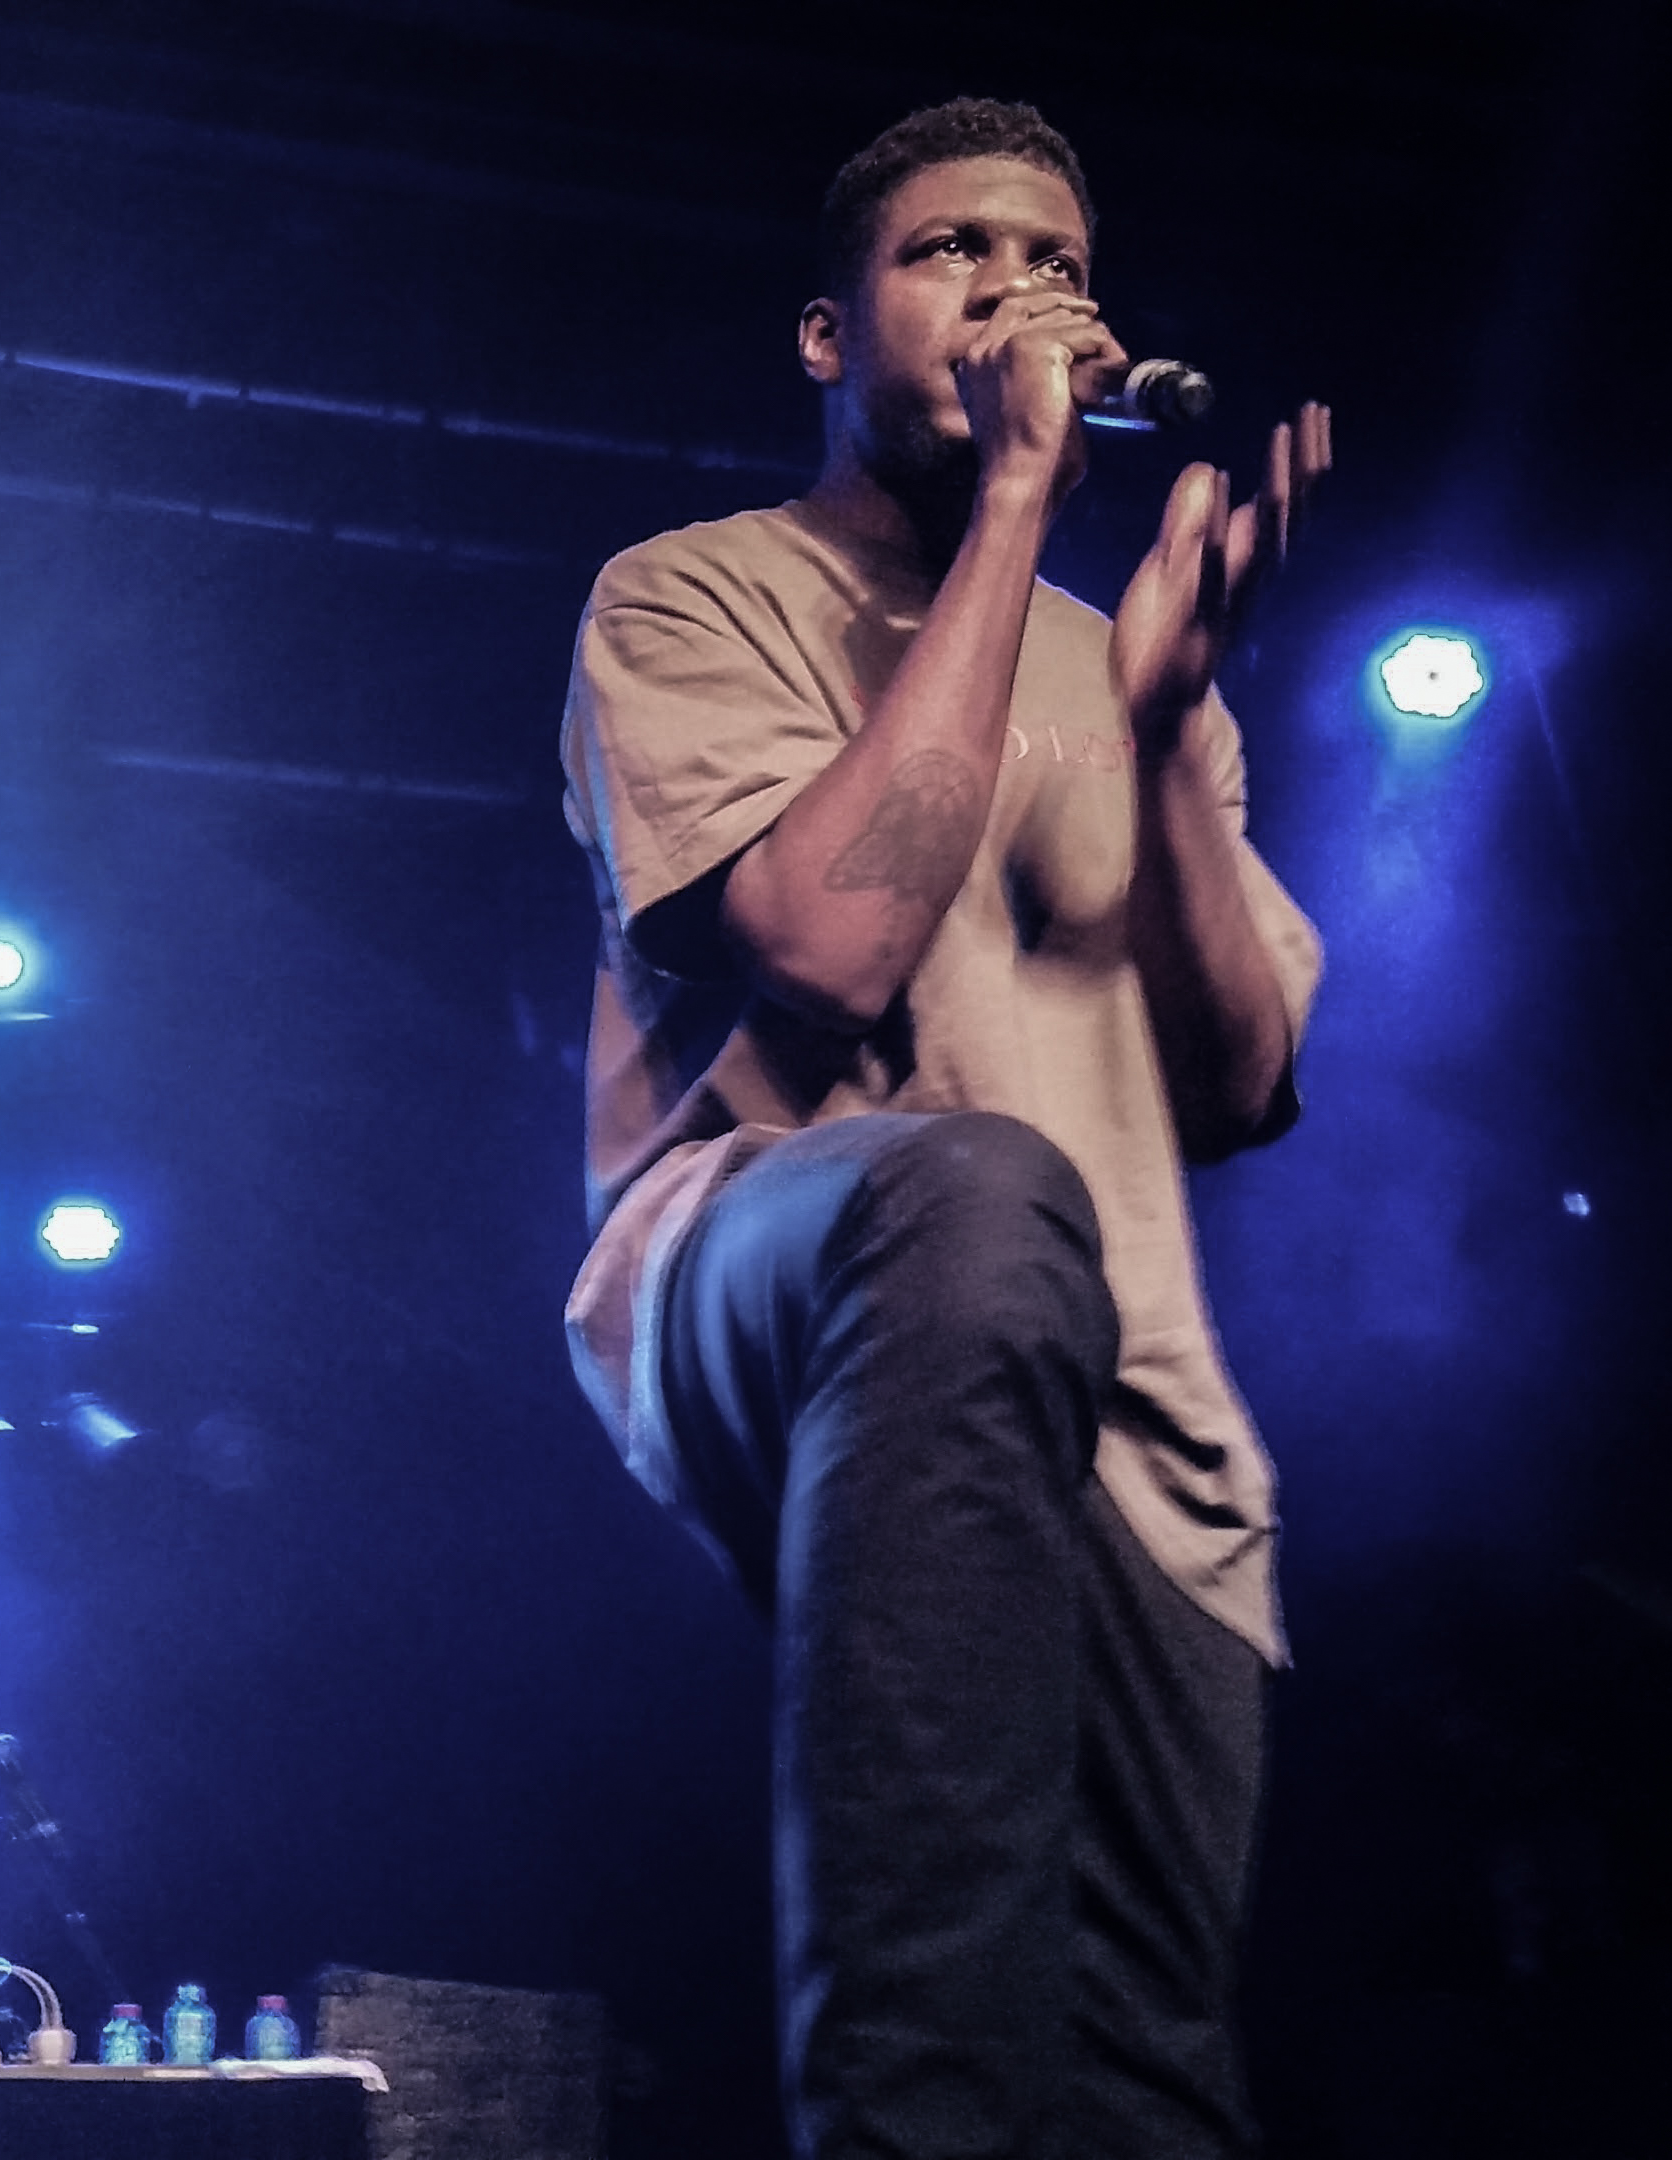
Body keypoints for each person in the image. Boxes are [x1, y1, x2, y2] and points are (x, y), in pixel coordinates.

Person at [556, 97, 1331, 2160]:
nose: (1017, 291)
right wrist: (1014, 503)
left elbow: (1244, 1084)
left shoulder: (1128, 658)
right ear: (829, 335)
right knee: (975, 1205)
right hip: (766, 1260)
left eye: (1056, 263)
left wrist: (1166, 723)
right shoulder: (691, 594)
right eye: (953, 252)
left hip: (1117, 1390)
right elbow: (827, 946)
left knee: (1147, 2079)